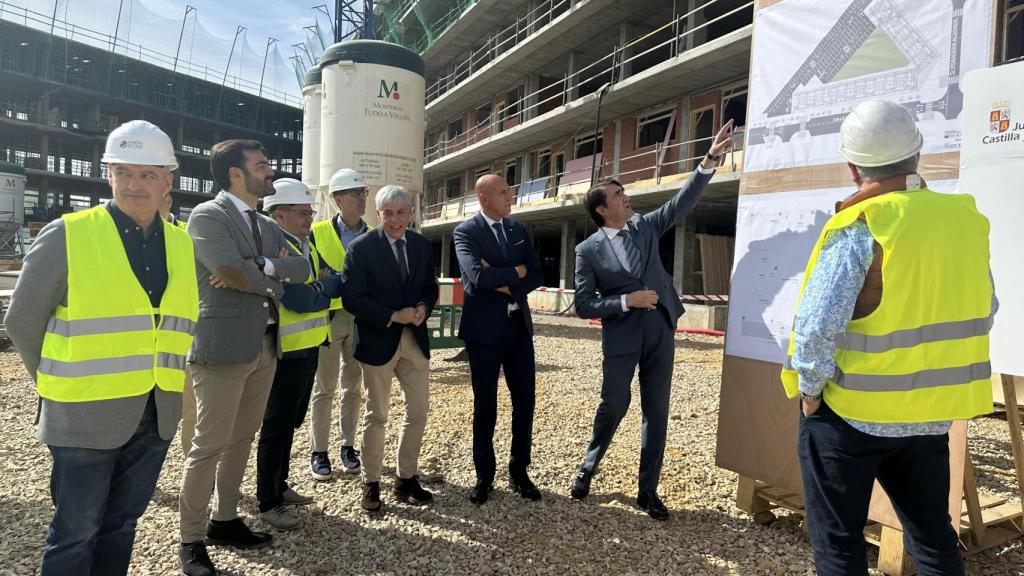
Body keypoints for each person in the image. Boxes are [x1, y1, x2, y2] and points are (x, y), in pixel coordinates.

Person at [782, 99, 997, 576]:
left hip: (851, 416)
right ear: (916, 155)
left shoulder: (862, 225)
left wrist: (811, 394)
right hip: (929, 417)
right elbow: (989, 306)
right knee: (934, 538)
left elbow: (816, 326)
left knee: (840, 547)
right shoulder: (963, 220)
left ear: (853, 165)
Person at [5, 120, 197, 575]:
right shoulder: (68, 234)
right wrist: (56, 386)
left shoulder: (181, 243)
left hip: (157, 411)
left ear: (168, 180)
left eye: (148, 174)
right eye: (124, 172)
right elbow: (22, 322)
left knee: (122, 525)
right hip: (83, 416)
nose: (135, 184)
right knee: (75, 533)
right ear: (108, 173)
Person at [570, 120, 734, 520]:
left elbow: (680, 204)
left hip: (660, 328)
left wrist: (708, 162)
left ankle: (648, 491)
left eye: (625, 192)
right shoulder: (587, 251)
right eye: (618, 195)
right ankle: (588, 467)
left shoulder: (645, 225)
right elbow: (584, 304)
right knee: (614, 404)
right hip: (622, 336)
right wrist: (626, 300)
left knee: (656, 410)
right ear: (601, 209)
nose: (627, 199)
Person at [177, 140, 309, 576]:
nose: (270, 171)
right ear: (236, 173)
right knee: (208, 446)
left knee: (242, 439)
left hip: (266, 345)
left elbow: (301, 268)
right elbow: (227, 270)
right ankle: (191, 540)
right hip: (222, 346)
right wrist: (264, 270)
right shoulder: (208, 215)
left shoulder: (265, 225)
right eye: (262, 165)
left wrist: (261, 268)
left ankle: (225, 519)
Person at [339, 185, 438, 513]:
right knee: (377, 415)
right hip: (378, 340)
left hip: (415, 340)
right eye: (388, 213)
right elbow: (352, 298)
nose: (396, 220)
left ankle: (406, 478)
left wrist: (424, 306)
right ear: (378, 214)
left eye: (402, 212)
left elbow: (429, 287)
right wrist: (394, 315)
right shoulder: (361, 248)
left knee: (419, 411)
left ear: (411, 213)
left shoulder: (423, 245)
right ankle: (371, 482)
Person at [254, 178, 341, 530]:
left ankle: (281, 484)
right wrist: (321, 288)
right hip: (286, 350)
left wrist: (318, 286)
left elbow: (336, 280)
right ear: (279, 214)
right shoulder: (279, 248)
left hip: (310, 346)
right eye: (302, 212)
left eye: (310, 212)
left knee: (291, 421)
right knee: (275, 426)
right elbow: (297, 298)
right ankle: (268, 501)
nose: (309, 218)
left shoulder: (306, 245)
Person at [454, 174, 543, 505]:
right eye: (504, 192)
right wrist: (514, 271)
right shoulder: (466, 232)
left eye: (510, 189)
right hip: (484, 331)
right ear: (483, 198)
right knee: (485, 405)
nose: (511, 195)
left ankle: (519, 471)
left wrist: (507, 278)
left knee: (525, 402)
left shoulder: (517, 230)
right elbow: (476, 278)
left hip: (518, 327)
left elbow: (535, 273)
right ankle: (484, 475)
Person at [308, 168, 372, 480]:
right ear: (337, 199)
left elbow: (371, 279)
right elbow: (312, 275)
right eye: (355, 192)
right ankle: (319, 450)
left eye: (364, 192)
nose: (362, 197)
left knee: (353, 388)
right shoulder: (316, 232)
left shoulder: (373, 235)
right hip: (328, 319)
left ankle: (348, 446)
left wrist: (332, 278)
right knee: (324, 388)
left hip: (359, 320)